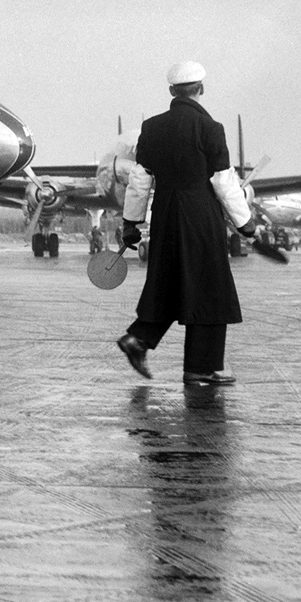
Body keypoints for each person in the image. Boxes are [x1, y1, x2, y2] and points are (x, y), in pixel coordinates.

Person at [116, 61, 257, 386]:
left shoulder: (151, 128)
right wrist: (245, 224)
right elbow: (223, 182)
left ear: (171, 92)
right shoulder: (211, 129)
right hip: (200, 216)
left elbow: (140, 180)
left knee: (168, 283)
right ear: (200, 89)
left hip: (165, 214)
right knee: (210, 287)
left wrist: (131, 222)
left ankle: (138, 339)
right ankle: (200, 367)